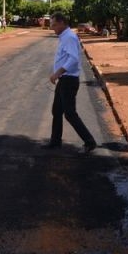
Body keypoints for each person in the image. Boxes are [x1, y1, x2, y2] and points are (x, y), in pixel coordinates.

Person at [43, 12, 97, 153]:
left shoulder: (69, 37)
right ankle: (55, 142)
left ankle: (89, 142)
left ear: (62, 23)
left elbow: (73, 59)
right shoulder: (65, 37)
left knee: (70, 114)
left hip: (68, 80)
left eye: (54, 25)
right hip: (64, 80)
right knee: (57, 110)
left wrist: (57, 73)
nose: (52, 28)